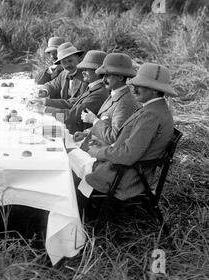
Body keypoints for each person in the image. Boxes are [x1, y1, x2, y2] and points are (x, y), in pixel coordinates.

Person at [75, 63, 177, 214]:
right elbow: (129, 141)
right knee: (75, 160)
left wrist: (98, 152)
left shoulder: (151, 115)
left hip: (125, 176)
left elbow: (128, 155)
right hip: (125, 168)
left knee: (73, 173)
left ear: (156, 90)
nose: (134, 89)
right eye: (135, 84)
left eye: (140, 85)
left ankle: (80, 217)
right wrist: (106, 145)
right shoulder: (154, 108)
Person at [30, 50, 109, 134]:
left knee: (37, 131)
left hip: (77, 133)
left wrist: (45, 110)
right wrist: (44, 102)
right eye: (64, 62)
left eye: (86, 69)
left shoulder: (99, 93)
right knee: (35, 128)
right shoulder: (93, 87)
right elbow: (71, 104)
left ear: (98, 72)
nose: (83, 72)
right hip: (71, 127)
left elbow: (71, 117)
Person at [74, 53, 138, 149]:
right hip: (97, 146)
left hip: (106, 154)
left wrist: (94, 120)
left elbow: (114, 137)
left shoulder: (124, 102)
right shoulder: (114, 94)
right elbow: (106, 124)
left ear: (120, 77)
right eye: (103, 75)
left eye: (107, 75)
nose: (103, 79)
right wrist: (86, 133)